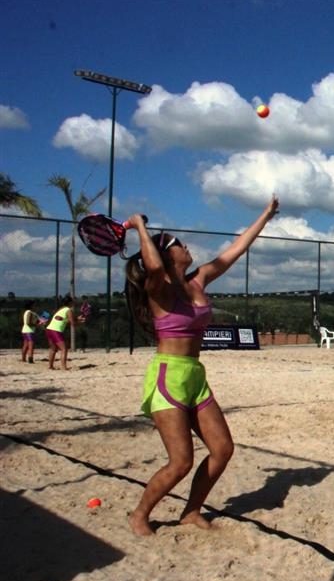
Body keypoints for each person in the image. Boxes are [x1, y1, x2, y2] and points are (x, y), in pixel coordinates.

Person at [123, 196, 280, 536]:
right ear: (167, 255)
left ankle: (191, 511)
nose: (186, 247)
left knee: (223, 449)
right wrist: (140, 227)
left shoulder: (198, 281)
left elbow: (234, 252)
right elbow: (152, 267)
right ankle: (139, 514)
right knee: (181, 461)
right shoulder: (157, 288)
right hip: (169, 376)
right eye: (179, 245)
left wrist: (265, 216)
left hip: (195, 375)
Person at [45, 295, 84, 370]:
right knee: (64, 349)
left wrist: (77, 319)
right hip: (56, 330)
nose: (74, 302)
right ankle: (63, 367)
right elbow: (72, 323)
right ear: (70, 302)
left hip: (49, 329)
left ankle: (50, 366)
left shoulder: (61, 309)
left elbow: (65, 319)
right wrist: (79, 323)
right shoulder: (69, 310)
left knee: (53, 349)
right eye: (72, 301)